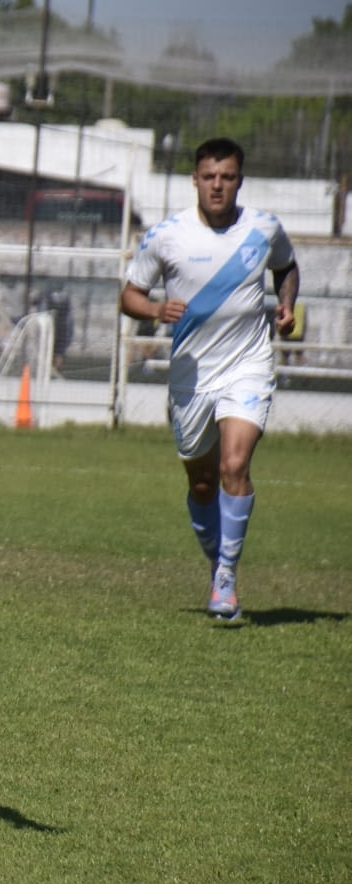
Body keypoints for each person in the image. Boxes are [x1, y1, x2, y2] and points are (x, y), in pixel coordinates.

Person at [120, 136, 299, 625]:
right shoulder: (168, 235)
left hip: (248, 364)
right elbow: (129, 295)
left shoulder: (263, 229)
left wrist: (286, 305)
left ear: (239, 180)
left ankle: (226, 579)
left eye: (228, 177)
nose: (218, 186)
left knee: (234, 465)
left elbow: (286, 267)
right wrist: (157, 309)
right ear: (195, 180)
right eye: (209, 177)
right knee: (202, 484)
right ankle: (218, 561)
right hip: (192, 376)